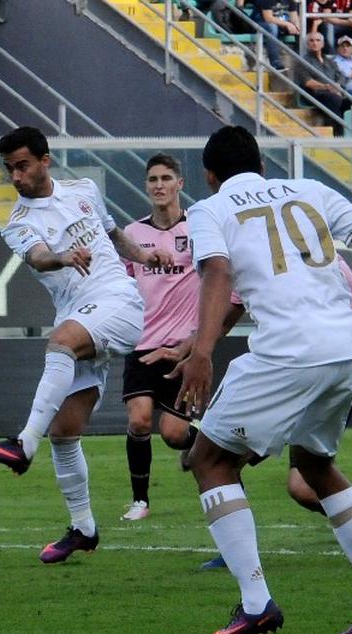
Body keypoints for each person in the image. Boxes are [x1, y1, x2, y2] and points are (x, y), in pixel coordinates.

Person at [175, 124, 352, 634]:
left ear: (210, 176)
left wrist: (203, 353)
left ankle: (256, 604)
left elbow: (217, 271)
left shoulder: (211, 208)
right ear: (260, 163)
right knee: (315, 465)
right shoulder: (311, 190)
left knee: (209, 461)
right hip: (344, 346)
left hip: (288, 350)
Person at [0, 126, 173, 564]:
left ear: (45, 161)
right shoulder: (18, 223)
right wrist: (64, 257)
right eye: (9, 169)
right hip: (80, 314)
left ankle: (24, 444)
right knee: (65, 433)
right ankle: (83, 528)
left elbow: (113, 234)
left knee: (60, 343)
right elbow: (40, 258)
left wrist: (144, 257)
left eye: (22, 166)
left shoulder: (83, 189)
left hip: (117, 302)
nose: (16, 177)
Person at [193, 257, 352, 569]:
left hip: (318, 377)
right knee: (222, 459)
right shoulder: (253, 256)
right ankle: (236, 550)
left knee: (301, 487)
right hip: (284, 376)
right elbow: (226, 316)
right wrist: (192, 349)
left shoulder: (327, 260)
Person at [114, 154, 198, 522]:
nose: (159, 185)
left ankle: (207, 447)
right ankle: (140, 502)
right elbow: (120, 283)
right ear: (146, 186)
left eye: (166, 178)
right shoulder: (133, 235)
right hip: (142, 344)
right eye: (152, 179)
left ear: (180, 184)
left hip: (183, 347)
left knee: (175, 434)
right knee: (139, 421)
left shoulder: (199, 230)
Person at [297, 32, 350, 135]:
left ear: (323, 44)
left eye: (318, 40)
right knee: (334, 99)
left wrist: (338, 86)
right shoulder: (303, 61)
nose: (315, 43)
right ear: (307, 44)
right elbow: (307, 82)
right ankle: (337, 134)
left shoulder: (330, 61)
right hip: (315, 94)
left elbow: (341, 77)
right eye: (311, 41)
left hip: (334, 93)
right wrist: (327, 86)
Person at [247, 0, 299, 71]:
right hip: (260, 23)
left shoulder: (291, 1)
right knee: (272, 27)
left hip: (279, 23)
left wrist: (296, 26)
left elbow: (294, 19)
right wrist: (287, 24)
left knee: (298, 29)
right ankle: (275, 63)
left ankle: (301, 61)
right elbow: (268, 18)